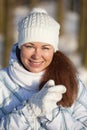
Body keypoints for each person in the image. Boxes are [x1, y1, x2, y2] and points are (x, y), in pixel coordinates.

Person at [0, 7, 87, 130]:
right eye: (30, 46)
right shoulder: (2, 83)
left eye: (45, 48)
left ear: (53, 50)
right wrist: (30, 110)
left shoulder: (72, 82)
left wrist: (51, 114)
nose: (36, 55)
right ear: (20, 47)